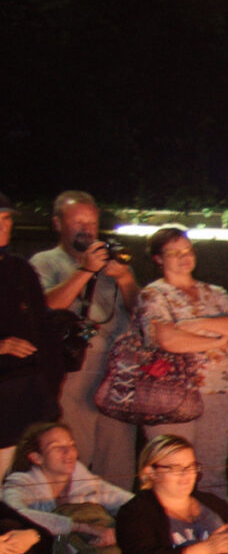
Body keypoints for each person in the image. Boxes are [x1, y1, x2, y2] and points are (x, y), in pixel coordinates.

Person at [129, 227, 228, 496]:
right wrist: (216, 340)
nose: (184, 258)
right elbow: (168, 340)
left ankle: (214, 529)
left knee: (212, 474)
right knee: (170, 472)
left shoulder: (214, 292)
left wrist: (193, 324)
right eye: (174, 253)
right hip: (172, 396)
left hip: (219, 392)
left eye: (187, 251)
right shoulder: (154, 295)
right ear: (158, 259)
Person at [33, 190, 139, 482]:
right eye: (78, 222)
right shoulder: (45, 261)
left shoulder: (110, 261)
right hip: (73, 371)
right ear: (57, 224)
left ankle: (117, 522)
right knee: (74, 455)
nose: (87, 229)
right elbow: (45, 305)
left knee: (117, 459)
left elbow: (141, 311)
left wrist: (126, 278)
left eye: (91, 223)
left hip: (117, 372)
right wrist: (84, 271)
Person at [2, 420, 123, 554]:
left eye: (72, 445)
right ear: (36, 457)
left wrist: (117, 530)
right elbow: (15, 512)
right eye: (58, 448)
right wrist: (80, 527)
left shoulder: (83, 480)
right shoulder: (20, 484)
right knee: (12, 529)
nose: (69, 452)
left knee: (23, 532)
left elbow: (128, 503)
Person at [0, 193, 54, 480]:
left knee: (26, 478)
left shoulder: (20, 269)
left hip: (27, 390)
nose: (2, 226)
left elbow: (40, 324)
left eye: (6, 219)